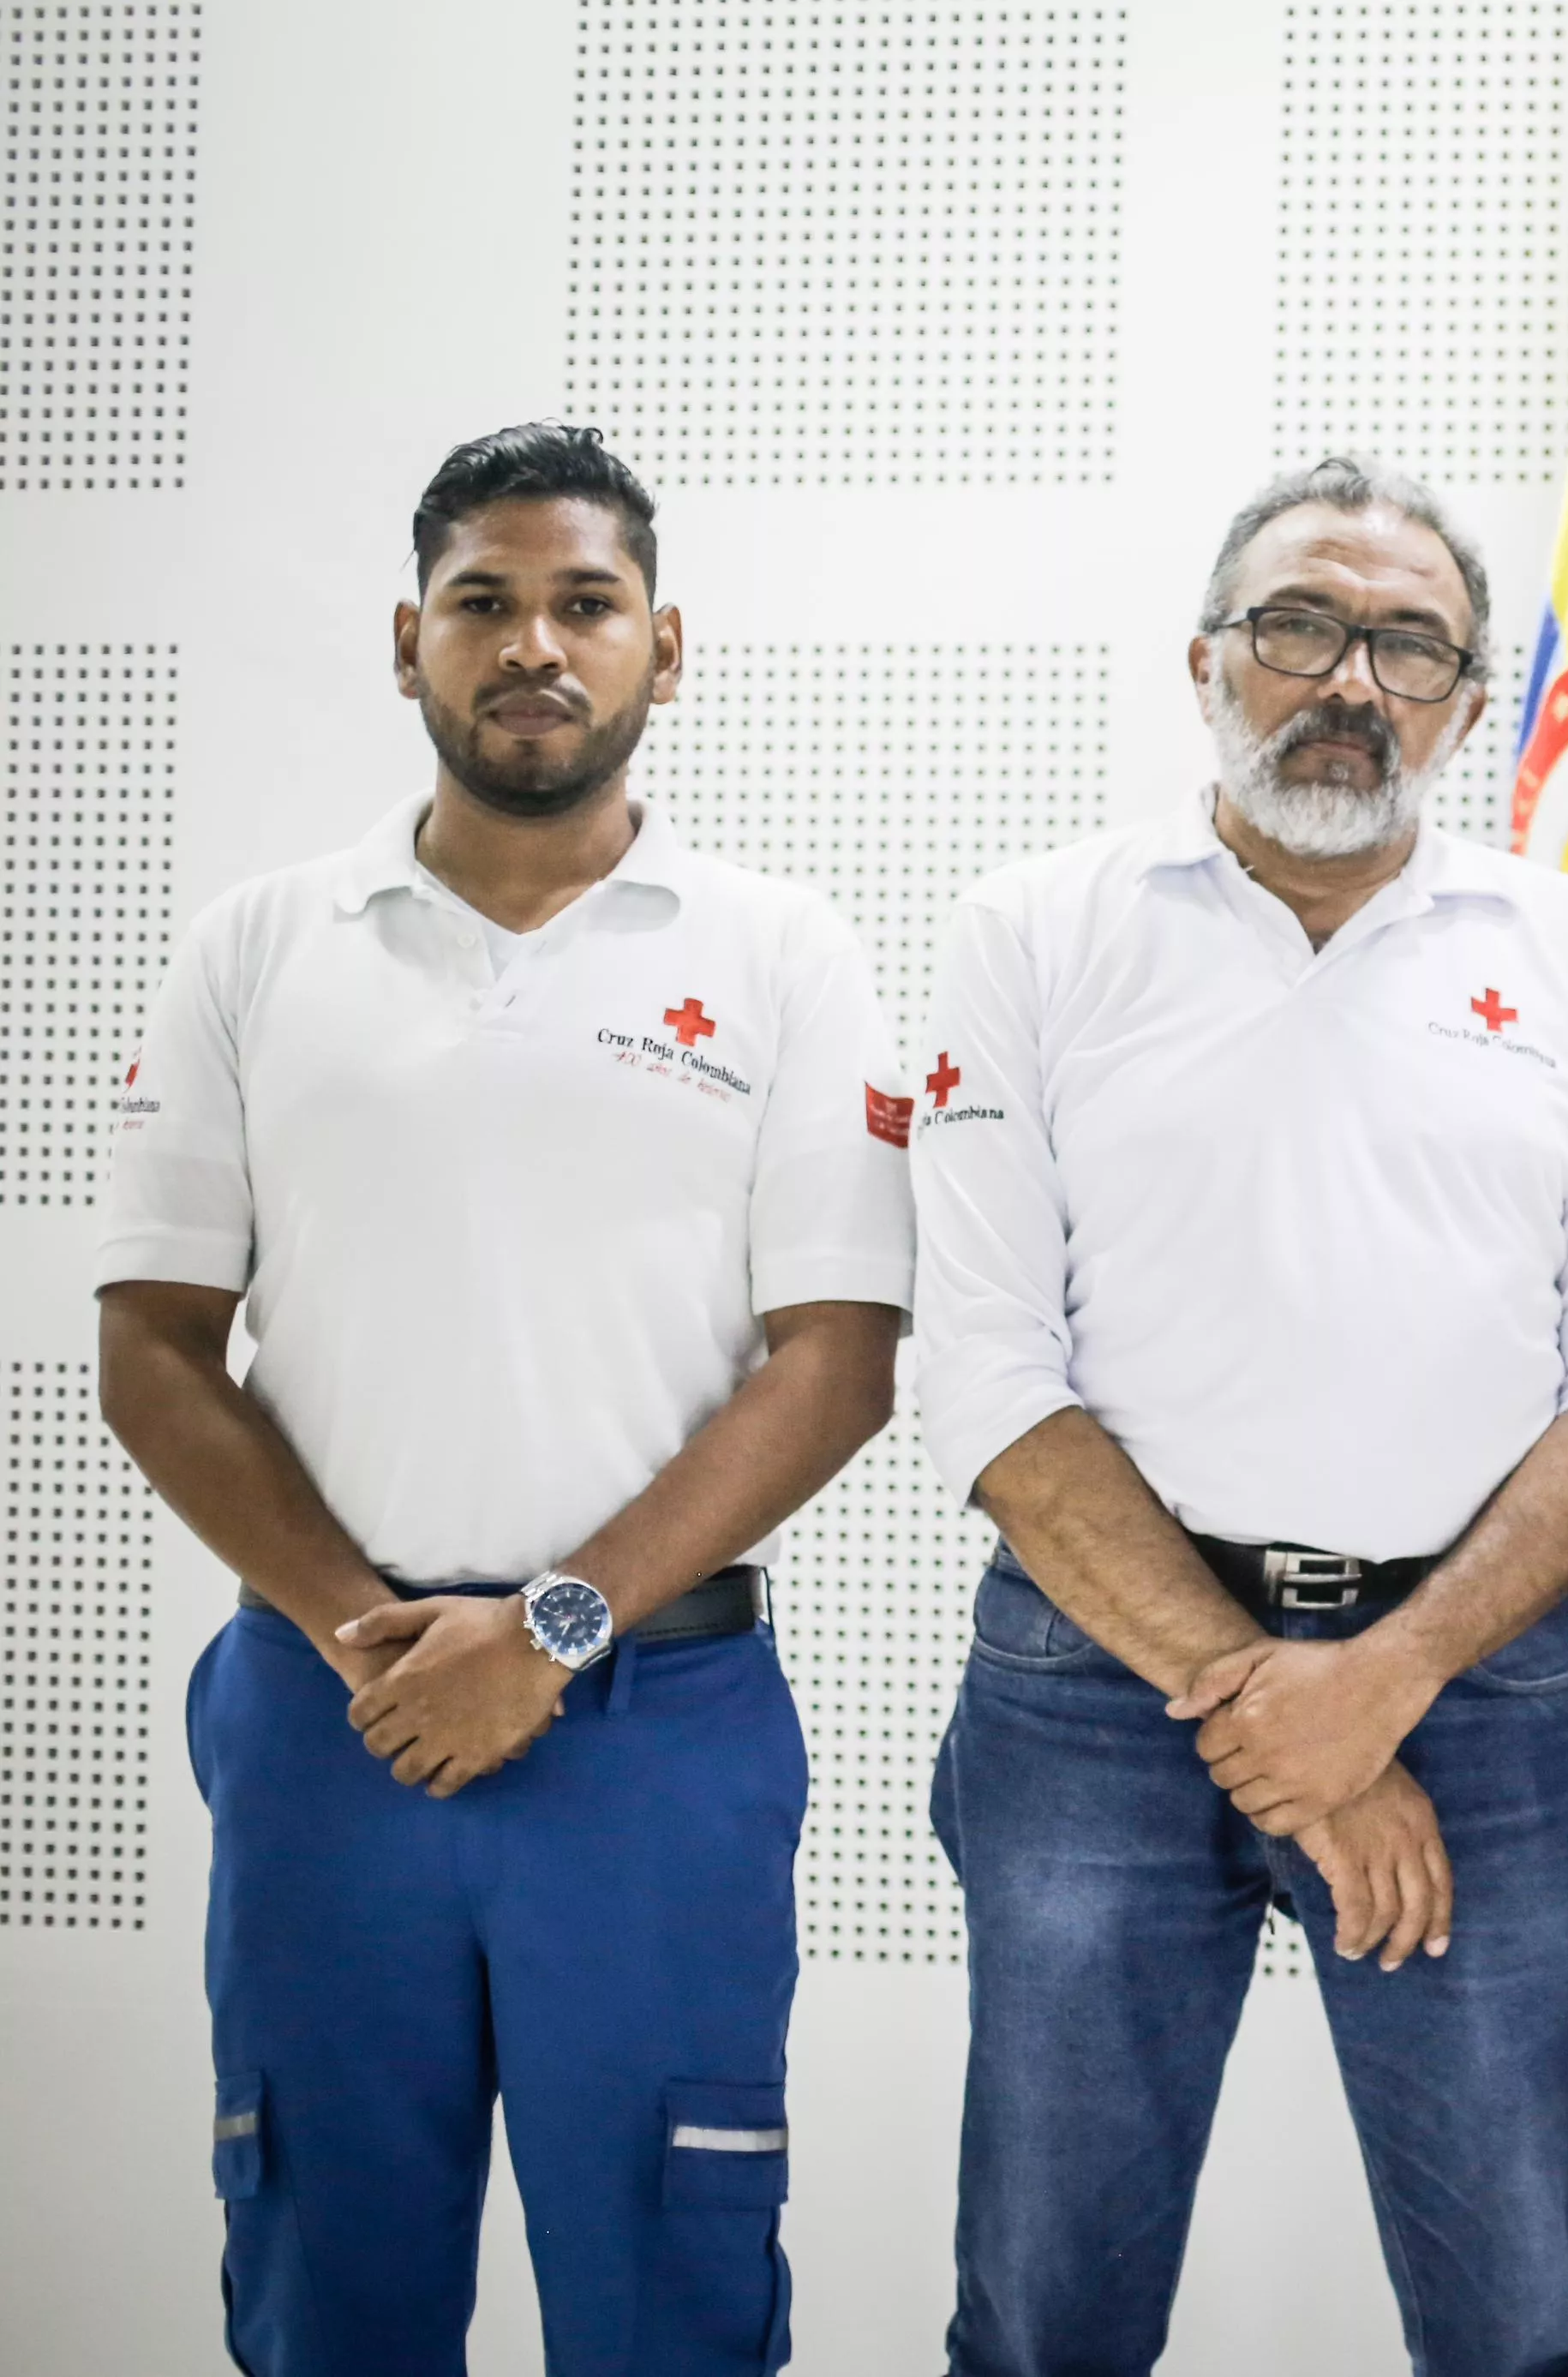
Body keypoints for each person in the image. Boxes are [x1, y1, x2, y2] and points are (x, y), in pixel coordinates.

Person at [94, 423, 915, 2375]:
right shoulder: (260, 948)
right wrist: (368, 1639)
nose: (532, 643)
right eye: (483, 601)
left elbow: (842, 1360)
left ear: (665, 645)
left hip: (653, 1721)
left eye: (584, 603)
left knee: (670, 2290)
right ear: (407, 643)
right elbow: (149, 1344)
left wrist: (549, 1630)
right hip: (330, 1714)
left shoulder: (783, 954)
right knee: (327, 2285)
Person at [913, 455, 1568, 2377]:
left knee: (1521, 2319)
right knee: (1043, 2318)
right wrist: (1285, 1714)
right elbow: (991, 1379)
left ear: (1468, 698)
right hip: (1095, 1694)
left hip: (1476, 1693)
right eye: (1299, 627)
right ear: (1204, 661)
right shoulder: (1034, 931)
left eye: (1408, 643)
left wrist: (1385, 1681)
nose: (1351, 678)